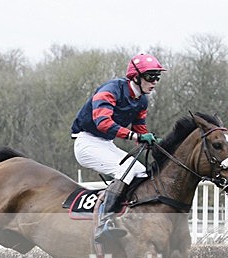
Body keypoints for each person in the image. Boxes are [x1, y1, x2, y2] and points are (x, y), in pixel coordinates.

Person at [71, 53, 166, 242]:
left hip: (105, 144)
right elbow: (103, 123)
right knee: (126, 170)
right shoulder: (111, 89)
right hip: (86, 142)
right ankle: (104, 222)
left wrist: (154, 142)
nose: (154, 82)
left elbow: (139, 129)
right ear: (136, 77)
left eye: (157, 77)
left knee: (140, 171)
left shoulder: (142, 100)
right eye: (150, 77)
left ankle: (130, 217)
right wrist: (136, 136)